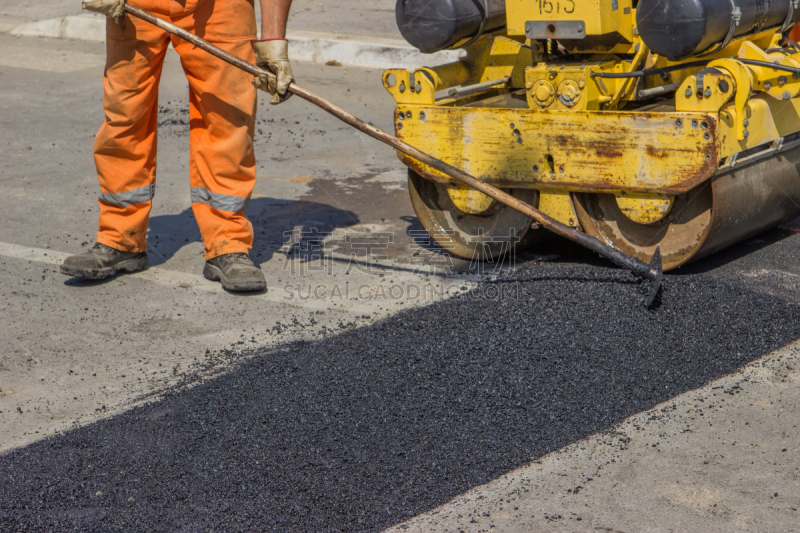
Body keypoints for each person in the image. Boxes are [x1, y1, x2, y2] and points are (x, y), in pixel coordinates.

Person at [61, 0, 294, 292]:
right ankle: (120, 238)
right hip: (136, 5)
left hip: (220, 8)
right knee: (125, 116)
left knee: (227, 122)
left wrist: (273, 38)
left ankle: (228, 243)